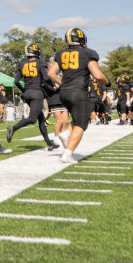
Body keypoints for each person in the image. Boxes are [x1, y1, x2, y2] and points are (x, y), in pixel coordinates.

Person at [46, 28, 109, 164]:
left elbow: (51, 73)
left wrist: (63, 84)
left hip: (63, 93)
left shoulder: (61, 54)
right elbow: (98, 75)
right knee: (82, 124)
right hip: (78, 92)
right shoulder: (88, 53)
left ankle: (66, 133)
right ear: (81, 39)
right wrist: (107, 82)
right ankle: (67, 154)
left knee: (78, 117)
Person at [8, 42, 58, 151]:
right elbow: (46, 77)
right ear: (37, 52)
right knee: (32, 119)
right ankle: (13, 128)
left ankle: (49, 144)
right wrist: (52, 86)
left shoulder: (22, 64)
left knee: (41, 120)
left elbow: (16, 81)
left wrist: (24, 91)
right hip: (37, 93)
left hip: (27, 93)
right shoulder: (40, 62)